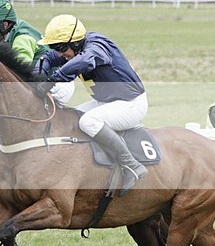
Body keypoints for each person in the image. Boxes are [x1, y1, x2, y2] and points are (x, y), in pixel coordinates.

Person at [34, 14, 149, 194]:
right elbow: (47, 58)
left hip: (131, 104)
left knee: (88, 122)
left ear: (76, 42)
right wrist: (37, 78)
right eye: (54, 47)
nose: (59, 53)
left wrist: (52, 80)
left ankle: (132, 165)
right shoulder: (72, 50)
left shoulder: (97, 46)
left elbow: (84, 61)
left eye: (61, 48)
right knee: (69, 119)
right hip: (106, 102)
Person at [0, 0, 49, 65]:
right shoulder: (11, 28)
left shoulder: (22, 39)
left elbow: (18, 72)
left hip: (49, 75)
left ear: (5, 25)